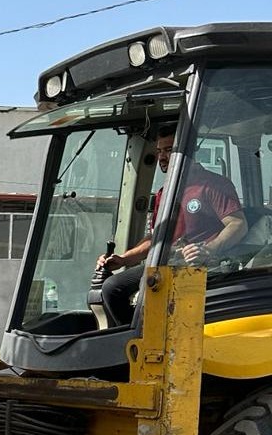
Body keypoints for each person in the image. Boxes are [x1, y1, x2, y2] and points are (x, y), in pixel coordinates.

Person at [97, 126, 247, 325]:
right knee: (111, 288)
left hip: (201, 266)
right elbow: (156, 238)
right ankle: (131, 343)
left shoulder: (212, 184)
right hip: (165, 262)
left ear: (189, 151)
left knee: (148, 286)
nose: (162, 157)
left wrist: (209, 250)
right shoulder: (165, 192)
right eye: (159, 151)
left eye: (168, 150)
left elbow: (238, 224)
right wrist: (124, 259)